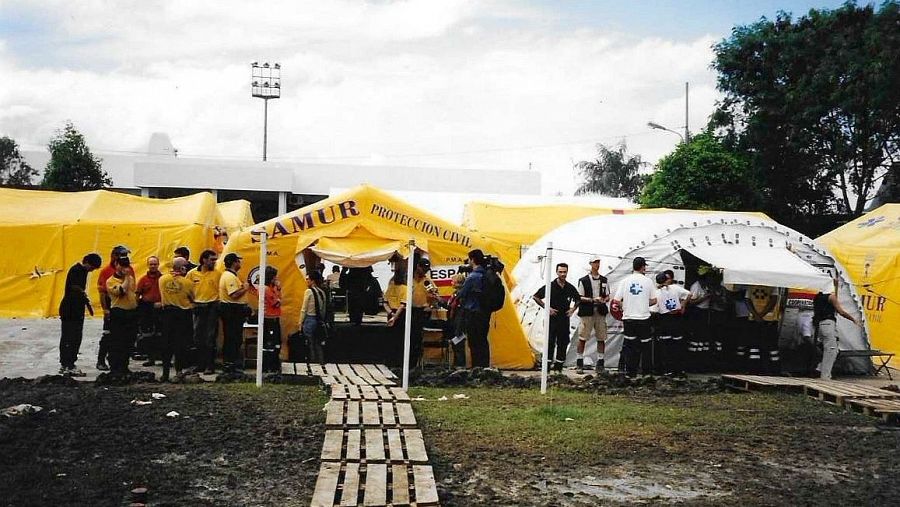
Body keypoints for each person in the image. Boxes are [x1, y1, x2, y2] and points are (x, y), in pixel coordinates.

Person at [612, 257, 658, 377]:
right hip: (643, 319)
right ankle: (646, 373)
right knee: (645, 346)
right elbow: (654, 300)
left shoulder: (625, 281)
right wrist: (642, 302)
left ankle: (630, 373)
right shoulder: (648, 281)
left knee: (630, 346)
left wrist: (626, 305)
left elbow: (616, 301)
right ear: (643, 267)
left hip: (629, 319)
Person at [58, 253, 102, 376]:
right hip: (71, 310)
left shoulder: (82, 271)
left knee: (73, 337)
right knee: (71, 337)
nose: (92, 270)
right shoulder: (77, 271)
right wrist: (83, 295)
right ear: (87, 262)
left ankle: (67, 363)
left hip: (75, 309)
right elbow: (74, 288)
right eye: (92, 267)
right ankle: (68, 364)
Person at [532, 263, 580, 373]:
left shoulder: (569, 287)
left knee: (563, 342)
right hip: (552, 319)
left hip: (564, 318)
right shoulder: (550, 286)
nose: (563, 274)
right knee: (550, 342)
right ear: (557, 272)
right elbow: (536, 296)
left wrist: (573, 309)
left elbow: (578, 299)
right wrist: (547, 307)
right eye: (561, 272)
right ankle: (547, 367)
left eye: (564, 272)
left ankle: (559, 367)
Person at [814, 276, 860, 380]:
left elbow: (833, 298)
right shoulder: (831, 297)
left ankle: (820, 368)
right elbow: (840, 311)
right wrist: (853, 319)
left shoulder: (818, 297)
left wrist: (835, 286)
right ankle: (825, 375)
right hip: (828, 323)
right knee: (831, 349)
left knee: (832, 349)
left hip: (819, 324)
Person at [158, 257, 194, 382]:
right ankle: (178, 371)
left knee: (166, 344)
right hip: (182, 314)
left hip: (166, 313)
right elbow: (192, 298)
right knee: (181, 345)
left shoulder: (162, 279)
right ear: (182, 268)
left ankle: (165, 373)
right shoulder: (187, 283)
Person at [96, 245, 132, 371]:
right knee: (108, 335)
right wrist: (105, 309)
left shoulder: (129, 270)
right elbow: (102, 292)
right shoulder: (106, 271)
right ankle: (101, 359)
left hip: (127, 308)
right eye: (122, 256)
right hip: (112, 305)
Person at [187, 249, 221, 374]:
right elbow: (187, 289)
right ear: (204, 260)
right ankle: (199, 364)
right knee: (197, 337)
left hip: (212, 306)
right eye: (212, 260)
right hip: (198, 306)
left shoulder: (217, 274)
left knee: (210, 337)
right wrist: (192, 302)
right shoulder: (192, 274)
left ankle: (210, 365)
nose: (214, 262)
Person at [459, 249, 493, 368]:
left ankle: (476, 367)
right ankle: (484, 366)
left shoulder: (473, 277)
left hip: (473, 313)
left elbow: (462, 294)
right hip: (485, 313)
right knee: (483, 341)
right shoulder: (486, 274)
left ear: (472, 260)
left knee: (474, 342)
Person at [575, 256, 609, 374]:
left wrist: (604, 300)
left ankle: (600, 362)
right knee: (583, 336)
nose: (597, 264)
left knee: (601, 337)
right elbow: (579, 296)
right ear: (590, 264)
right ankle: (579, 361)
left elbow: (607, 295)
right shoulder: (583, 280)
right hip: (587, 311)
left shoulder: (604, 280)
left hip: (600, 311)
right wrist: (592, 299)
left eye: (598, 262)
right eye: (595, 262)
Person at [106, 256, 138, 379]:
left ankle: (124, 366)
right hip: (119, 312)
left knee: (129, 342)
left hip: (131, 312)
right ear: (116, 265)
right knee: (117, 342)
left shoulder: (130, 278)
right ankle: (115, 367)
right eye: (122, 265)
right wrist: (125, 277)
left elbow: (132, 292)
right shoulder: (111, 281)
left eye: (126, 265)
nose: (125, 268)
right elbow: (121, 291)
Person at [654, 272, 691, 375]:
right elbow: (689, 294)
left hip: (665, 318)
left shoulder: (657, 293)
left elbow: (654, 308)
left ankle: (668, 369)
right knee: (677, 344)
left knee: (666, 345)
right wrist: (683, 305)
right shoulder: (675, 288)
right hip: (676, 317)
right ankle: (678, 369)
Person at [219, 253, 250, 373]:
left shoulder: (232, 276)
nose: (240, 263)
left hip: (235, 310)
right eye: (238, 261)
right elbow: (234, 294)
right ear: (234, 262)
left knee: (234, 338)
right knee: (232, 338)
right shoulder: (229, 277)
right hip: (231, 310)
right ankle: (229, 363)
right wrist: (245, 288)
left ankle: (231, 362)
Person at [407, 257, 439, 369]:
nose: (425, 271)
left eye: (427, 269)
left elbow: (435, 297)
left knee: (417, 337)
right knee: (408, 337)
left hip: (422, 312)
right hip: (409, 310)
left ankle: (415, 364)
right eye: (423, 268)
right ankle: (407, 362)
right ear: (418, 267)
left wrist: (431, 305)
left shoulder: (428, 281)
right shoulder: (408, 279)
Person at [135, 256, 163, 366]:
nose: (153, 266)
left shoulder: (163, 278)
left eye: (155, 264)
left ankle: (162, 358)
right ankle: (150, 358)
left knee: (160, 333)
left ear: (158, 265)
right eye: (151, 264)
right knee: (148, 334)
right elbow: (137, 294)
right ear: (148, 265)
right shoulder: (143, 279)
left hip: (160, 308)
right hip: (147, 308)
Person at [300, 271, 329, 363]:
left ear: (312, 281)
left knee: (309, 343)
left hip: (310, 318)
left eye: (308, 279)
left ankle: (311, 361)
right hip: (319, 319)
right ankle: (321, 361)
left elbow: (304, 309)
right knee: (318, 343)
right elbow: (323, 308)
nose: (306, 280)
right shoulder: (322, 292)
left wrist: (300, 322)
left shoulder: (308, 291)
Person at [261, 266, 282, 373]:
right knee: (270, 344)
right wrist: (278, 290)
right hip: (269, 319)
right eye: (274, 277)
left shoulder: (270, 289)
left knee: (276, 343)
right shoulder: (266, 289)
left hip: (274, 318)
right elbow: (276, 303)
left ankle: (274, 364)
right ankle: (269, 366)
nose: (276, 279)